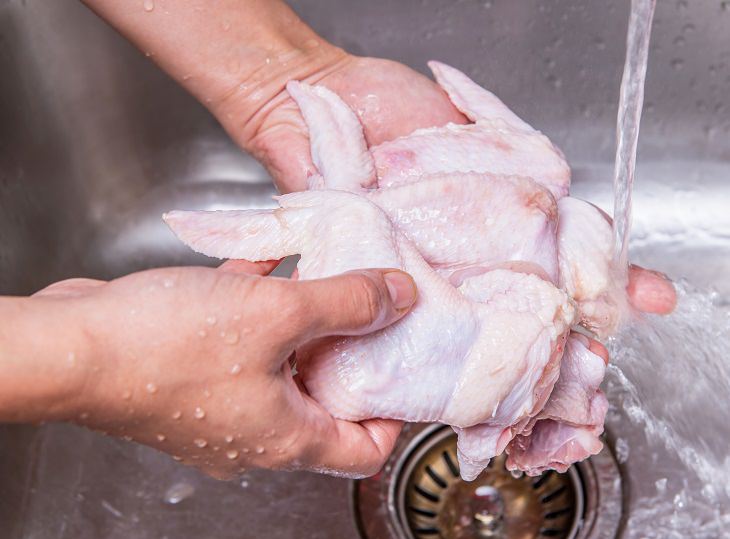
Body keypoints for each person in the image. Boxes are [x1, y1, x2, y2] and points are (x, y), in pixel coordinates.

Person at [0, 0, 676, 481]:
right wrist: (100, 362)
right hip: (442, 298)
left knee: (528, 204)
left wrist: (281, 82)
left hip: (449, 290)